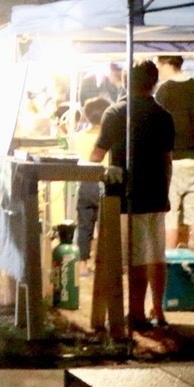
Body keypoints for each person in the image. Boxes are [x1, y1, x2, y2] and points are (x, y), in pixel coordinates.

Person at [90, 60, 175, 332]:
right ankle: (158, 310)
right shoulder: (163, 115)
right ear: (154, 82)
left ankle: (136, 314)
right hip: (157, 193)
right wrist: (165, 191)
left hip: (127, 195)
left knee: (137, 257)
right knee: (156, 254)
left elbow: (97, 155)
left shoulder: (115, 113)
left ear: (126, 80)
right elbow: (167, 160)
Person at [155, 54, 194, 280]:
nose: (158, 69)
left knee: (170, 213)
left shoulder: (164, 90)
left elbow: (158, 125)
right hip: (192, 157)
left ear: (166, 63)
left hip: (170, 157)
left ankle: (168, 263)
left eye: (159, 64)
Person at [71, 95, 111, 273]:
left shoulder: (78, 137)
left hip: (85, 184)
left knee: (84, 225)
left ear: (86, 116)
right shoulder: (111, 138)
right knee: (105, 227)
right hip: (105, 183)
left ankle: (82, 264)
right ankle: (100, 262)